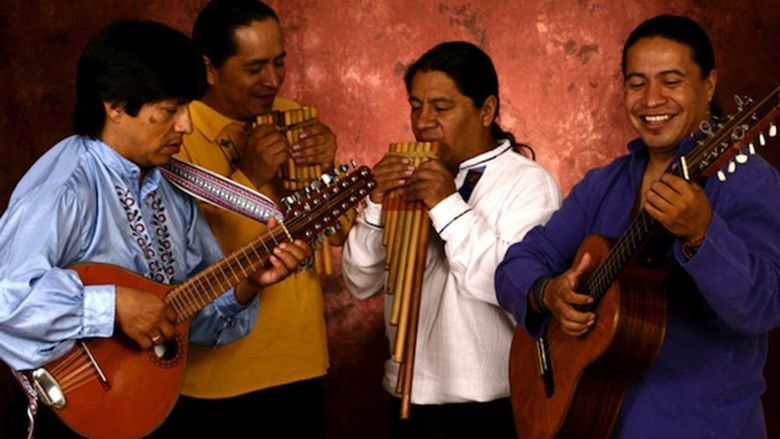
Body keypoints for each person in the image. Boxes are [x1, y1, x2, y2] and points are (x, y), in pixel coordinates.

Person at [0, 20, 309, 437]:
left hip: (148, 407)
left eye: (186, 108)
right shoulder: (64, 187)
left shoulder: (171, 185)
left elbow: (186, 320)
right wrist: (112, 308)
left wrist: (247, 284)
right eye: (170, 111)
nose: (184, 125)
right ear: (114, 105)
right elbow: (7, 299)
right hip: (73, 415)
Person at [496, 14, 780, 438]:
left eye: (671, 80)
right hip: (595, 422)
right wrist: (546, 293)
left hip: (707, 426)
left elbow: (764, 306)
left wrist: (702, 233)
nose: (651, 99)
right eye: (636, 82)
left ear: (709, 84)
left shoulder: (747, 180)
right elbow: (516, 264)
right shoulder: (603, 184)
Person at [341, 41, 562, 438]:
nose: (423, 121)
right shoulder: (408, 174)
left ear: (487, 110)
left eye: (441, 108)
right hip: (406, 399)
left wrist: (446, 205)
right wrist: (375, 205)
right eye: (415, 106)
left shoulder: (529, 183)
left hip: (485, 407)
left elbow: (510, 286)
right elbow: (361, 282)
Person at [154, 1, 346, 437]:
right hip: (218, 375)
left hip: (302, 361)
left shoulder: (293, 116)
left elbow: (338, 236)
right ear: (211, 68)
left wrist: (329, 173)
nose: (274, 81)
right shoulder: (175, 135)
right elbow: (177, 260)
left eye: (279, 63)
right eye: (255, 68)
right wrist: (251, 177)